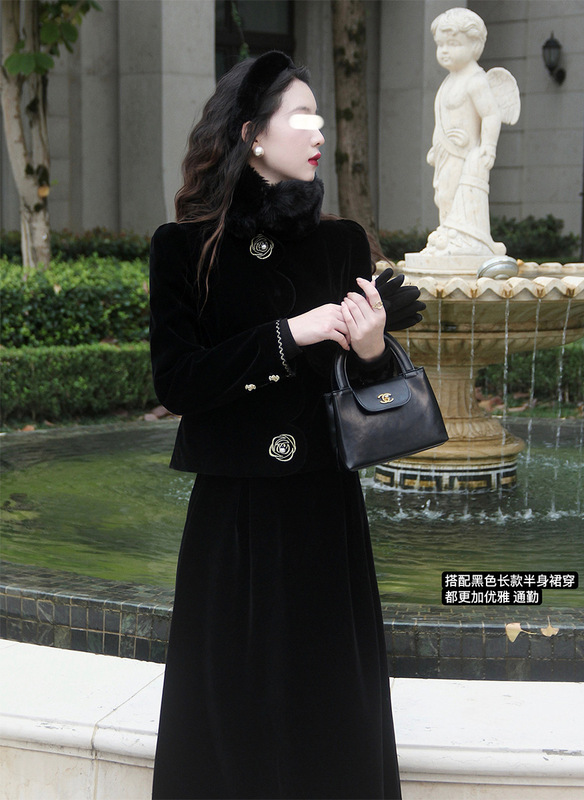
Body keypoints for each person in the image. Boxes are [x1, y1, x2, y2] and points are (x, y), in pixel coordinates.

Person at [149, 51, 423, 800]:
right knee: (229, 713)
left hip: (322, 513)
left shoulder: (342, 243)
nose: (319, 131)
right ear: (251, 134)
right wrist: (288, 334)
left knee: (330, 715)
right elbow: (177, 381)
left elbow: (369, 399)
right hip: (233, 516)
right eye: (301, 115)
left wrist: (371, 349)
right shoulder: (183, 248)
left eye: (320, 115)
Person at [422, 7, 518, 257]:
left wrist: (488, 147)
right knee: (443, 195)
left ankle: (464, 239)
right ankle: (449, 236)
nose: (444, 50)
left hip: (464, 153)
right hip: (446, 151)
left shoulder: (476, 80)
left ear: (475, 46)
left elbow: (491, 114)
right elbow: (443, 118)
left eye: (453, 44)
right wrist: (436, 146)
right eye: (440, 44)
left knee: (454, 193)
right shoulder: (449, 81)